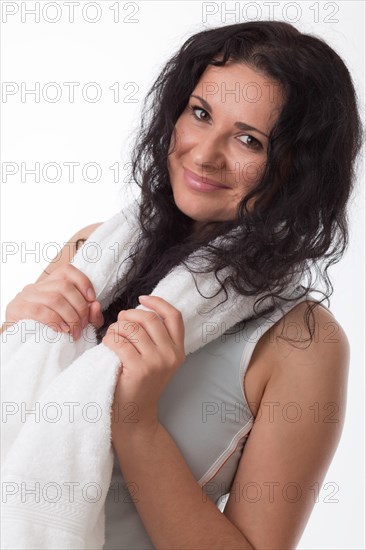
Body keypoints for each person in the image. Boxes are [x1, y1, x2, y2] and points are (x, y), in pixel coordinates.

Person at [1, 20, 363, 549]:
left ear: (298, 169)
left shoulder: (303, 345)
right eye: (200, 113)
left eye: (248, 139)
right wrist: (11, 330)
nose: (204, 154)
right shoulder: (92, 250)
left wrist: (137, 422)